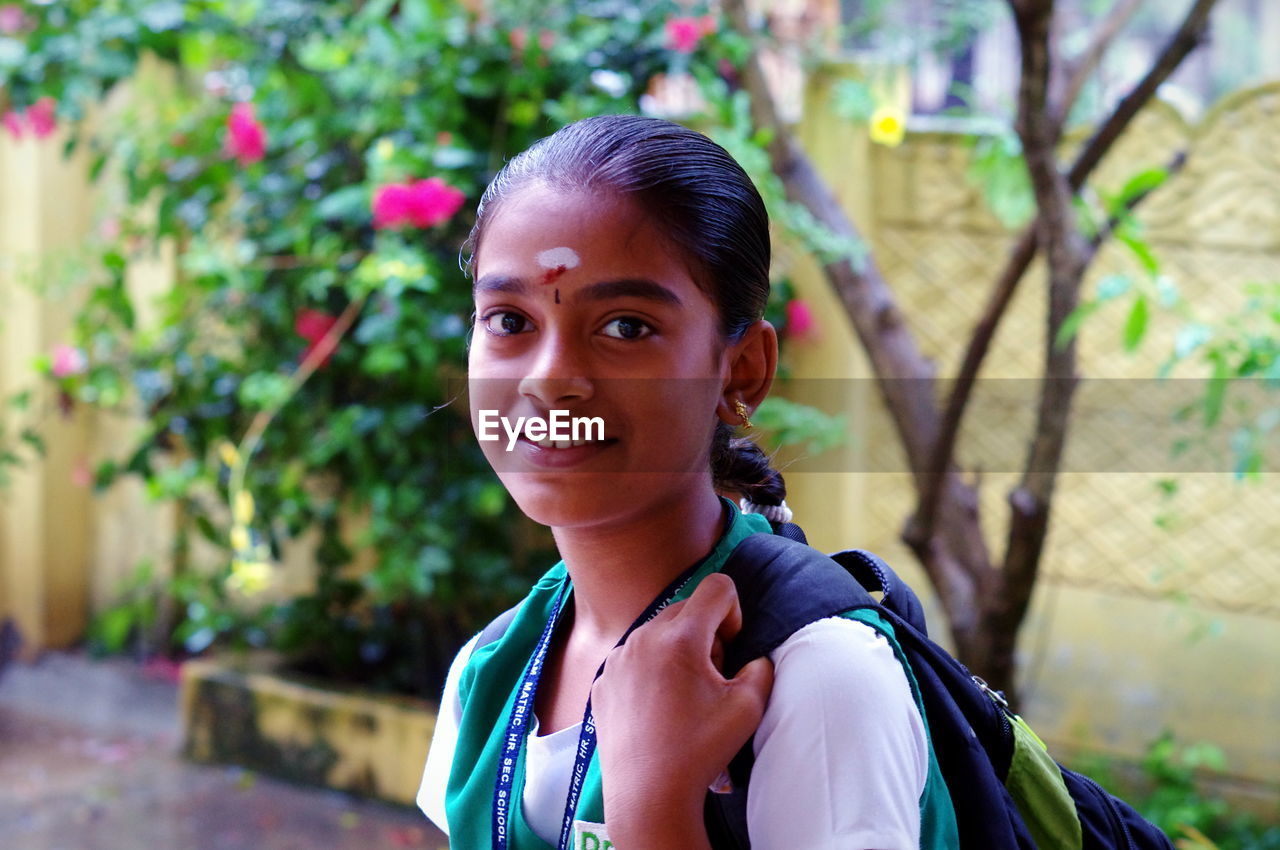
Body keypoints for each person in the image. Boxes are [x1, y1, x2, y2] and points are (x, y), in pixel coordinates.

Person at [417, 115, 942, 849]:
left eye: (626, 327)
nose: (550, 381)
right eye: (509, 320)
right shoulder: (489, 673)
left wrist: (655, 802)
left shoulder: (821, 678)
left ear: (743, 371)